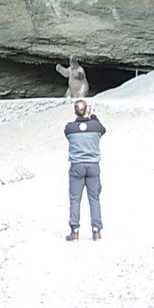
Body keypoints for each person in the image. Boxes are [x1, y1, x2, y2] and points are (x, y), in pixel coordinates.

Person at [64, 98, 106, 241]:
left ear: (75, 112)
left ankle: (74, 231)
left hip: (77, 166)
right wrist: (93, 116)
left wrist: (85, 118)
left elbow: (72, 132)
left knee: (75, 199)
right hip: (93, 166)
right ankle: (96, 231)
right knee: (94, 198)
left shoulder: (70, 128)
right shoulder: (95, 126)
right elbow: (103, 130)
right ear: (87, 111)